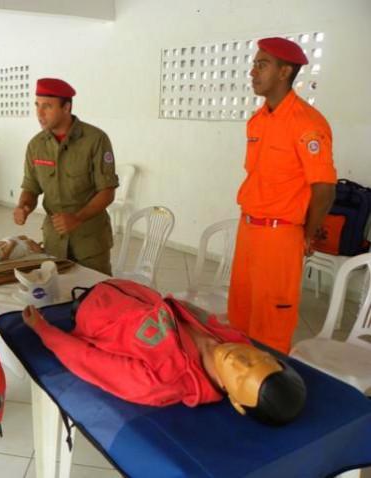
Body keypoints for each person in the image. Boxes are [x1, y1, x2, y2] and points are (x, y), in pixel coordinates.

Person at [21, 279, 307, 426]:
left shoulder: (163, 380)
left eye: (243, 378)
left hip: (88, 310)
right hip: (125, 289)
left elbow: (88, 362)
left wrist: (43, 330)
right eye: (258, 360)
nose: (242, 360)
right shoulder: (233, 337)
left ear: (235, 402)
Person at [228, 37, 337, 354]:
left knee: (271, 325)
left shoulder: (306, 123)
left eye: (262, 64)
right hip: (249, 229)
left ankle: (270, 390)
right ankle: (240, 379)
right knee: (241, 313)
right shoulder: (259, 119)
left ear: (284, 72)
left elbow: (325, 188)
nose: (253, 71)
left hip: (280, 235)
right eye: (254, 64)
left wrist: (307, 233)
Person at [13, 78, 118, 275]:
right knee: (58, 296)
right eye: (37, 105)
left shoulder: (95, 140)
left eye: (47, 106)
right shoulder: (36, 145)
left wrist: (77, 218)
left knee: (94, 297)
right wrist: (24, 206)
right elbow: (31, 187)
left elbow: (107, 191)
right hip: (54, 242)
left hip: (90, 243)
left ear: (66, 107)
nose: (39, 113)